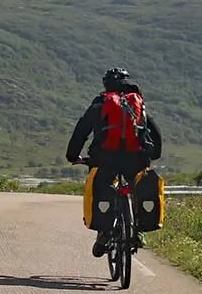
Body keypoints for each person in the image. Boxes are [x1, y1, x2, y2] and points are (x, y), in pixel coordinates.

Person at [65, 67, 163, 257]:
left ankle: (104, 232)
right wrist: (154, 153)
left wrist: (72, 156)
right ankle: (139, 231)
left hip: (105, 158)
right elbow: (155, 131)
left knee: (102, 188)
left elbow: (81, 131)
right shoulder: (137, 104)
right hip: (136, 158)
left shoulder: (101, 103)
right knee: (138, 188)